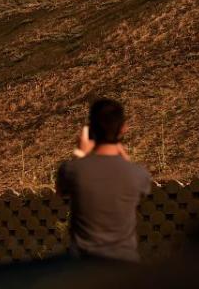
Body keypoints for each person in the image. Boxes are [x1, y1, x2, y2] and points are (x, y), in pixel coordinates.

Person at [56, 98, 151, 262]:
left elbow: (60, 191)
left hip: (83, 268)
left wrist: (80, 153)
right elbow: (133, 176)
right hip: (125, 266)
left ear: (91, 129)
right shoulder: (138, 174)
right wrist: (121, 150)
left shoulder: (72, 169)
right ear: (123, 129)